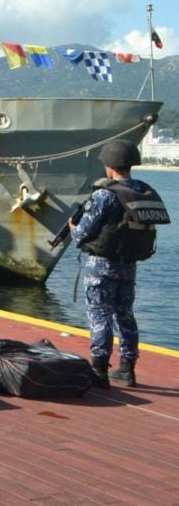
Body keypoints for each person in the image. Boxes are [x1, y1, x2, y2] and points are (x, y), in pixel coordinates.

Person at [69, 139, 170, 388]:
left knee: (99, 314)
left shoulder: (105, 194)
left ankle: (100, 370)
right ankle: (127, 369)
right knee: (125, 315)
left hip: (101, 266)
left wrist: (73, 227)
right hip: (128, 266)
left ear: (109, 165)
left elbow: (83, 233)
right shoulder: (142, 190)